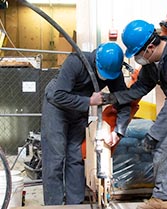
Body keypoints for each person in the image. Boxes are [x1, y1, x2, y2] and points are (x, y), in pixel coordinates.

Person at [102, 19, 167, 209]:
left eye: (137, 53)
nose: (137, 58)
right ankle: (163, 199)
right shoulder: (152, 63)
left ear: (150, 47)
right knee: (163, 150)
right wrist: (111, 98)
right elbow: (140, 88)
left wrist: (153, 134)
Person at [41, 42, 131, 205]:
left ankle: (74, 204)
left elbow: (124, 101)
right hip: (57, 106)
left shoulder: (113, 72)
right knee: (55, 157)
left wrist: (118, 131)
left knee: (75, 155)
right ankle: (53, 204)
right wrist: (89, 100)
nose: (106, 78)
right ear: (96, 61)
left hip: (79, 108)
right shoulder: (76, 62)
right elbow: (59, 95)